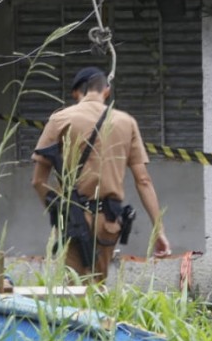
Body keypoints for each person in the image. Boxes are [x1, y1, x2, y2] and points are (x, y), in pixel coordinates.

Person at [32, 66, 172, 282]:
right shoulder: (127, 122)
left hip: (72, 217)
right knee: (98, 284)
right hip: (109, 221)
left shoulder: (60, 119)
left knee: (74, 290)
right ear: (106, 90)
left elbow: (38, 181)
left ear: (77, 93)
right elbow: (143, 180)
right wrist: (159, 230)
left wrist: (61, 211)